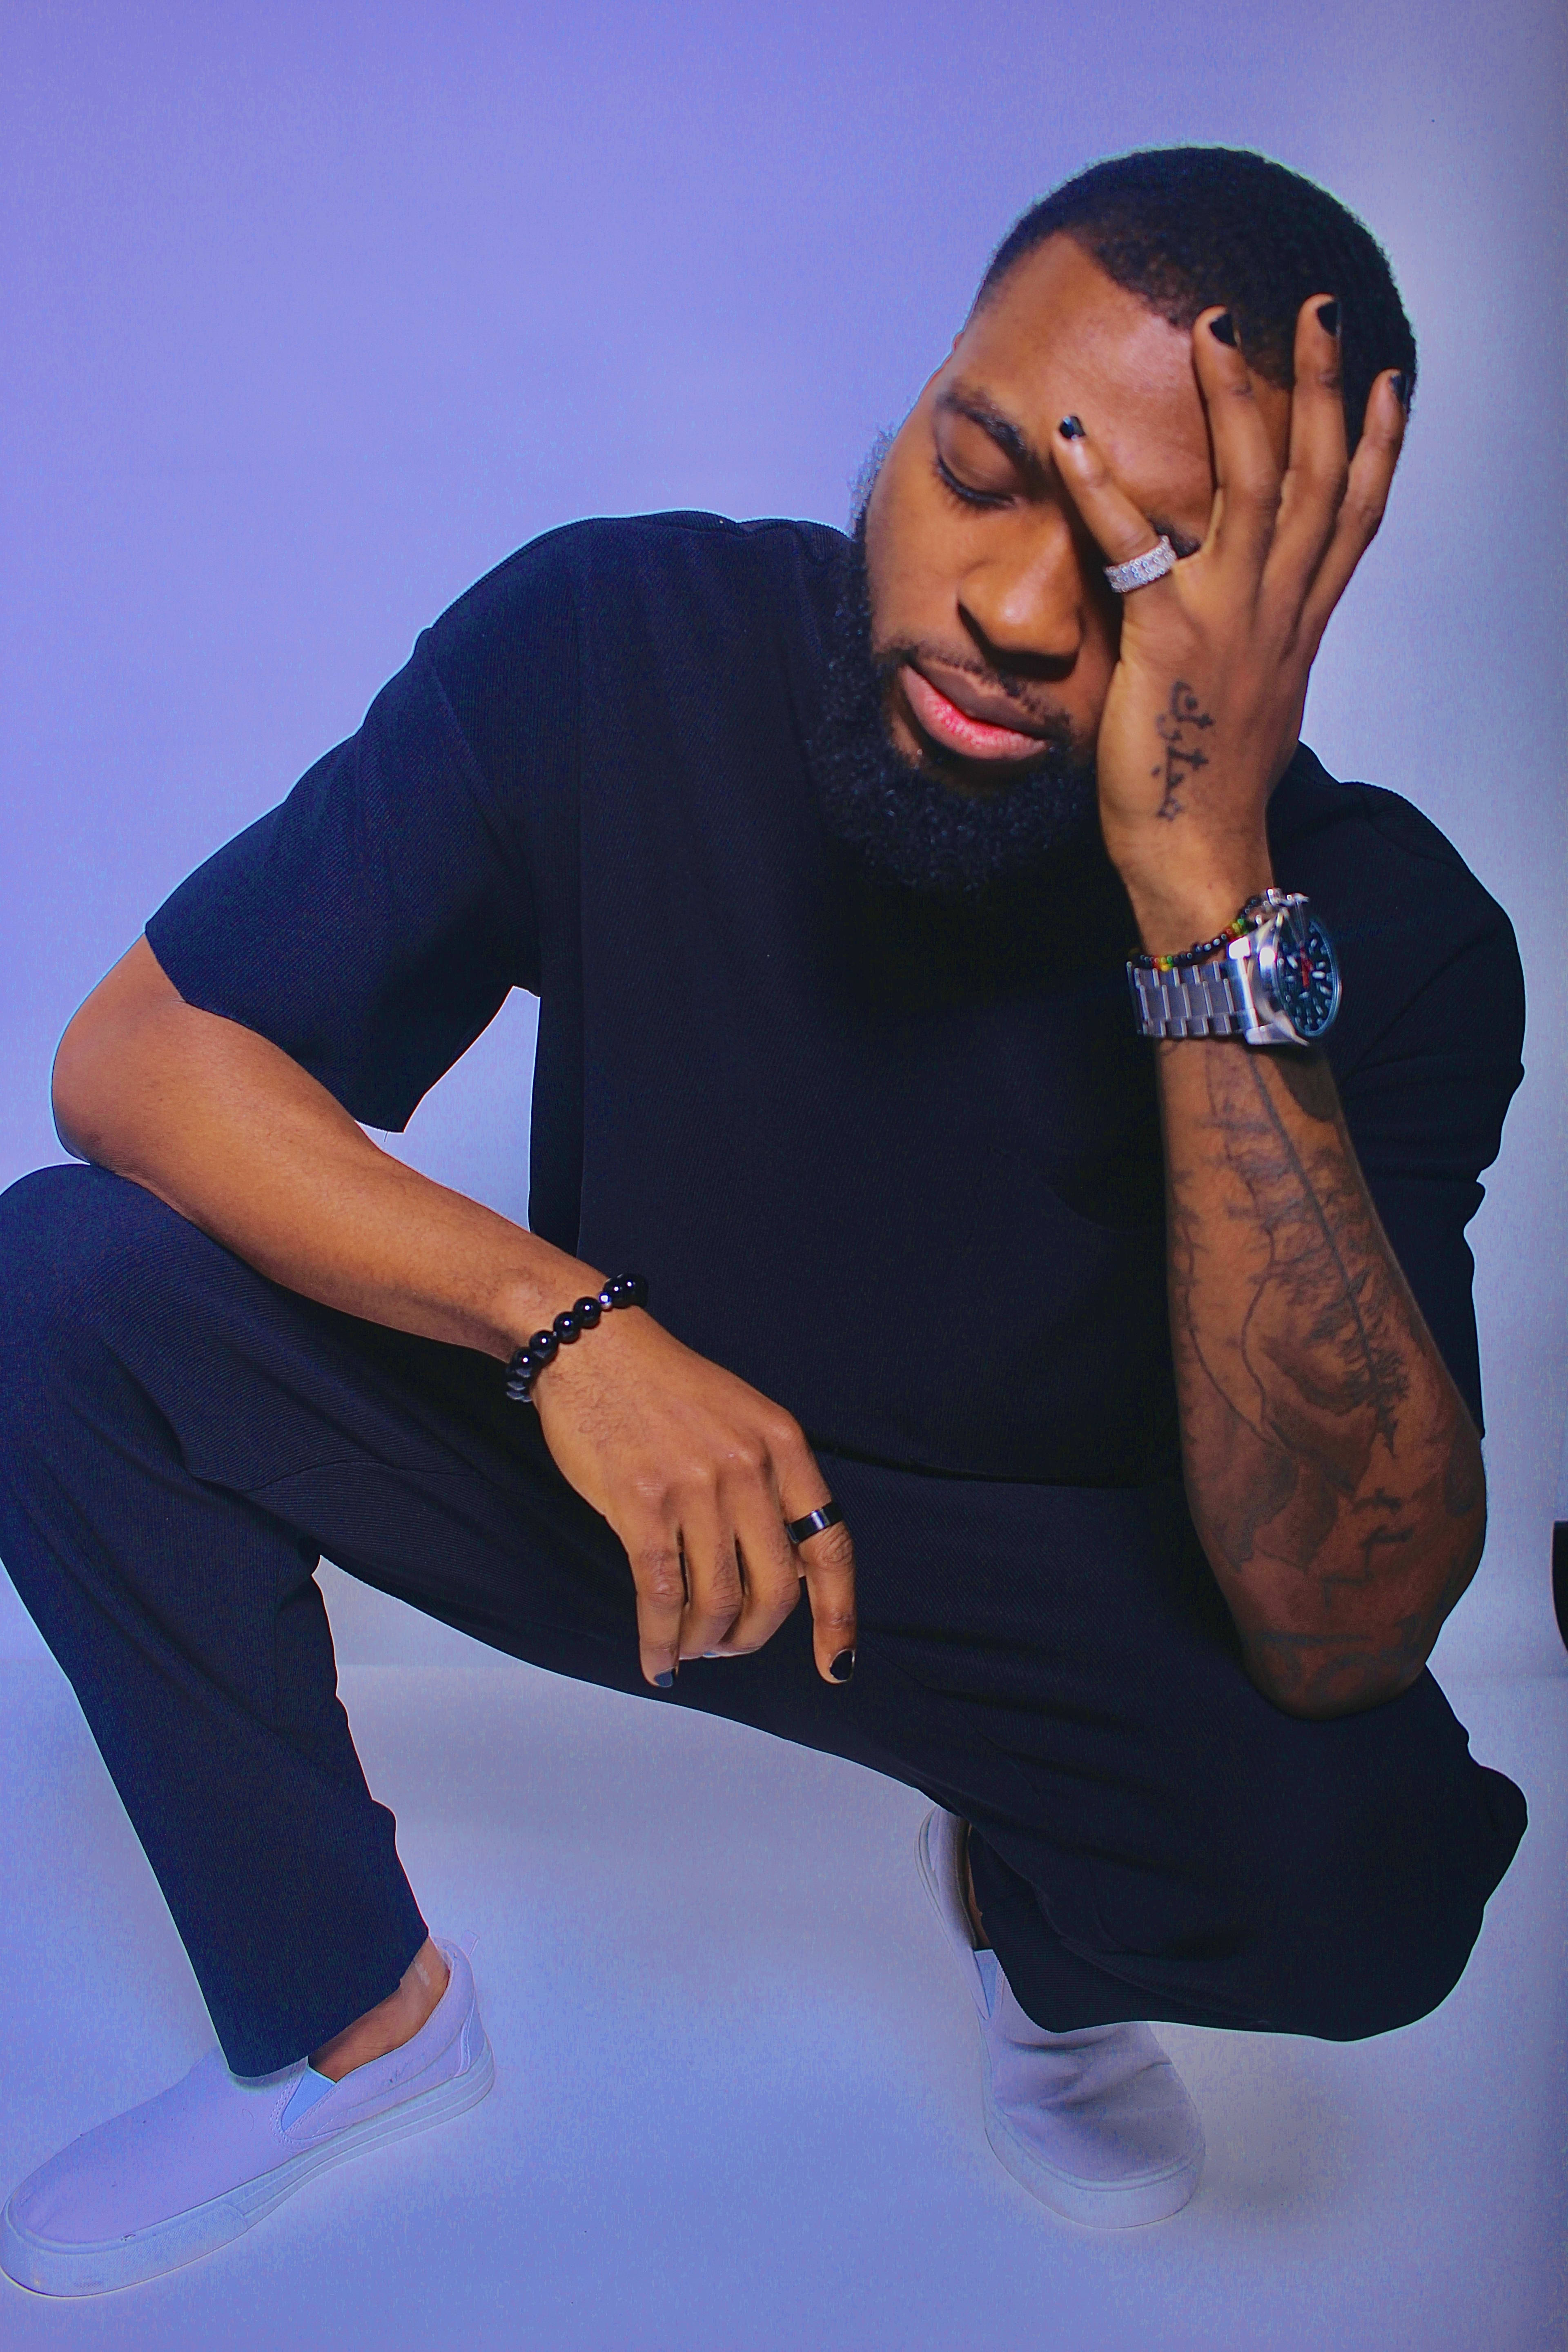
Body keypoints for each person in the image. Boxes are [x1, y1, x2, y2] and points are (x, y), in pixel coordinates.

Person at [0, 145, 1528, 2294]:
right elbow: (141, 1061)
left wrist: (1205, 899)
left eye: (1142, 569)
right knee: (61, 1292)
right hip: (621, 1462)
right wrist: (559, 1325)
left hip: (1034, 1603)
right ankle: (354, 2029)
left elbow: (1344, 1615)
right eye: (983, 464)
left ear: (1277, 608)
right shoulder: (617, 636)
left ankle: (1044, 1948)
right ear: (920, 402)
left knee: (1363, 1871)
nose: (1012, 607)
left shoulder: (1388, 935)